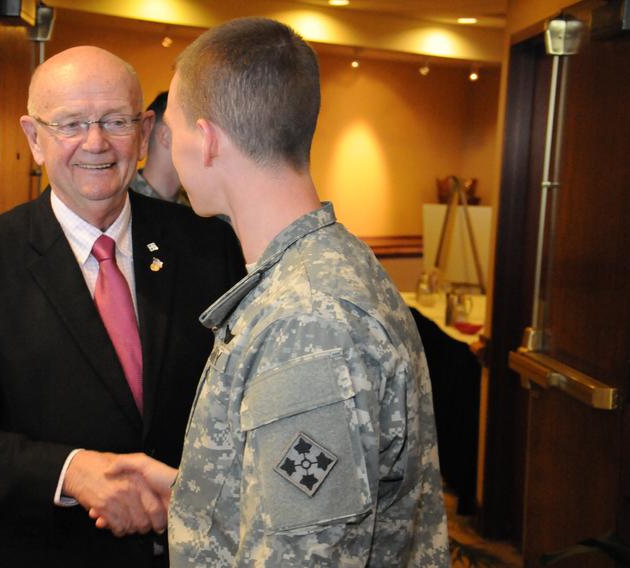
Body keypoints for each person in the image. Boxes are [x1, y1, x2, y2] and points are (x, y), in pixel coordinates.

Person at [0, 45, 244, 567]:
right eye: (70, 124)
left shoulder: (208, 248)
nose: (96, 142)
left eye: (115, 120)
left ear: (146, 130)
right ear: (33, 139)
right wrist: (70, 471)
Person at [150, 17, 450, 567]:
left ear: (208, 139)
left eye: (170, 133)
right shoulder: (313, 272)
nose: (168, 154)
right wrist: (187, 486)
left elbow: (304, 555)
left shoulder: (310, 319)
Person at [129, 91, 190, 206]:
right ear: (166, 136)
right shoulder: (120, 204)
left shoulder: (203, 210)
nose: (206, 142)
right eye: (195, 129)